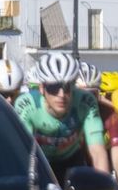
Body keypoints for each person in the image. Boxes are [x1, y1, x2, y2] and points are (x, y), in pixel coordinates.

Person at [14, 51, 111, 182]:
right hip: (39, 163)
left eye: (67, 87)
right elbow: (21, 152)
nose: (61, 94)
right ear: (42, 88)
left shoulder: (85, 102)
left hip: (71, 161)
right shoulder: (27, 105)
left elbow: (97, 151)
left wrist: (103, 186)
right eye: (54, 88)